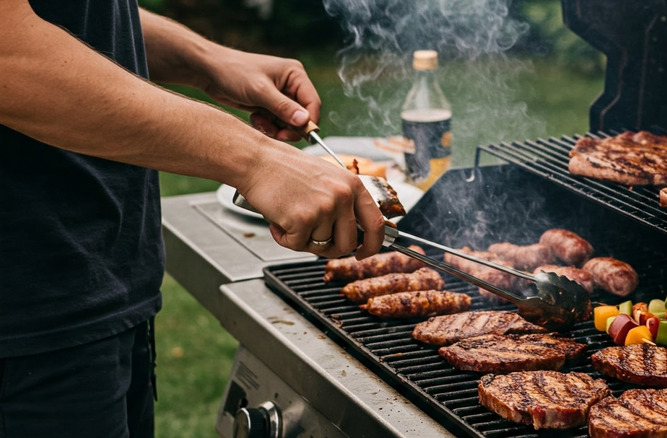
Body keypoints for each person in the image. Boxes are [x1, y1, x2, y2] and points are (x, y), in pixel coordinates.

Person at [0, 1, 386, 437]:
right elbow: (8, 52)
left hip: (95, 292)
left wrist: (205, 61)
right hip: (25, 324)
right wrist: (256, 160)